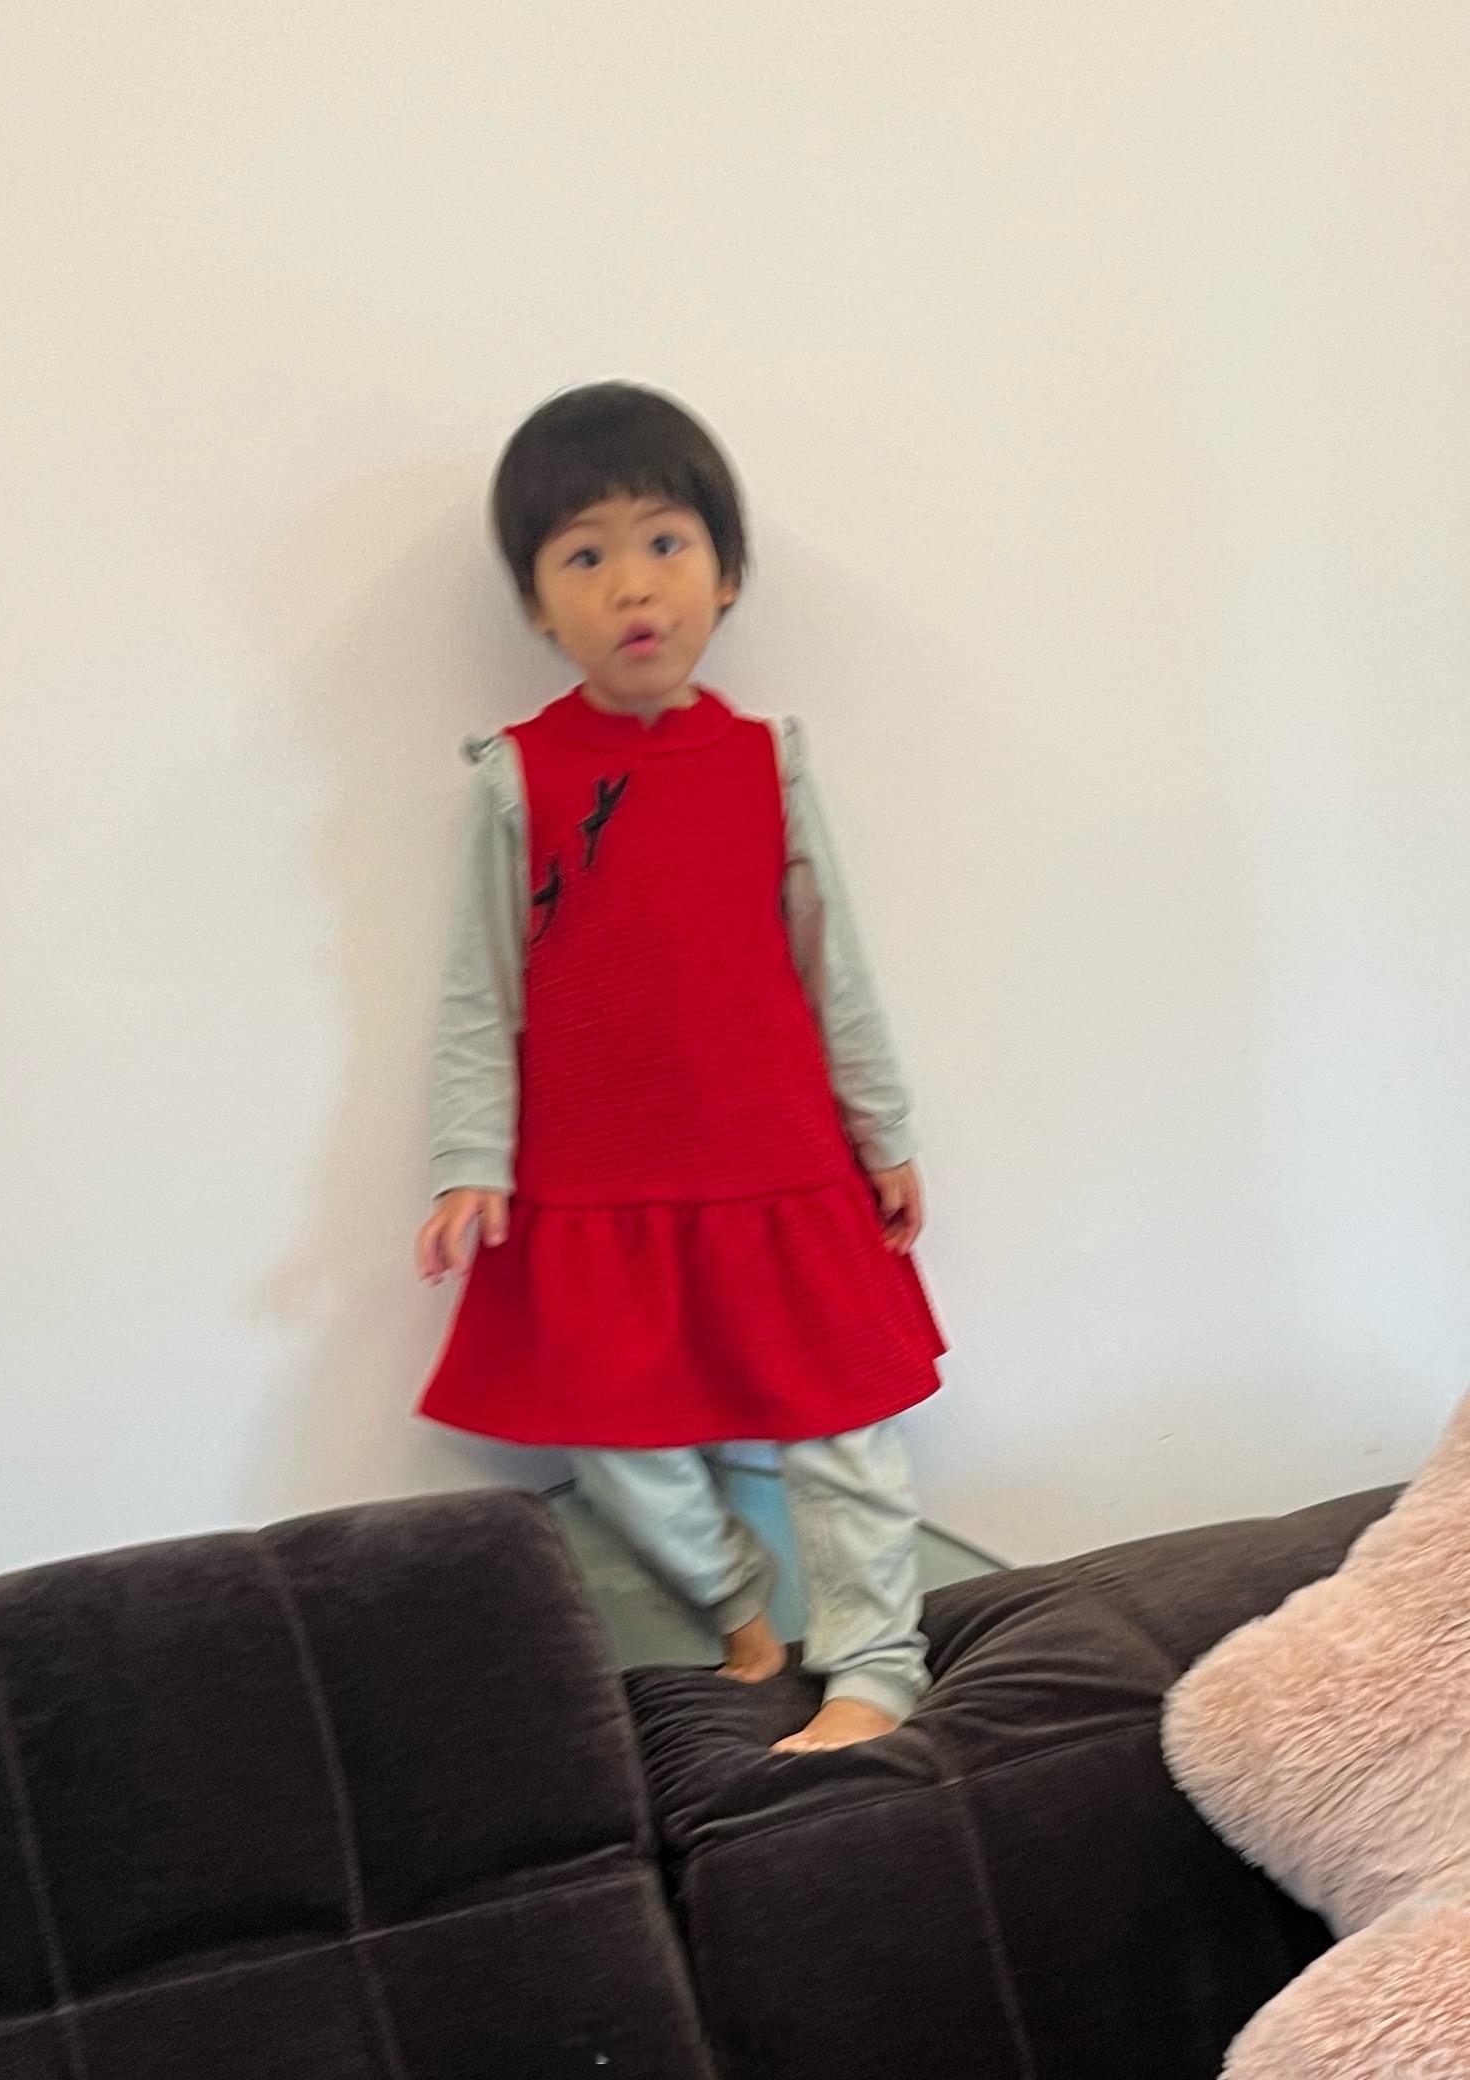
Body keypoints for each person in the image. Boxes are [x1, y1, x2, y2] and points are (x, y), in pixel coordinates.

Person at [414, 382, 946, 1751]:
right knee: (616, 1439)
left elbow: (835, 965)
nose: (632, 586)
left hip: (782, 1162)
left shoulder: (769, 762)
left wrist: (881, 1132)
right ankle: (738, 1610)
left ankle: (876, 1669)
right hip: (599, 1182)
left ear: (726, 572)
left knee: (843, 1430)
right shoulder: (517, 778)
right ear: (538, 603)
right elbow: (482, 990)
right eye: (584, 556)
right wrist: (470, 1160)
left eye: (665, 543)